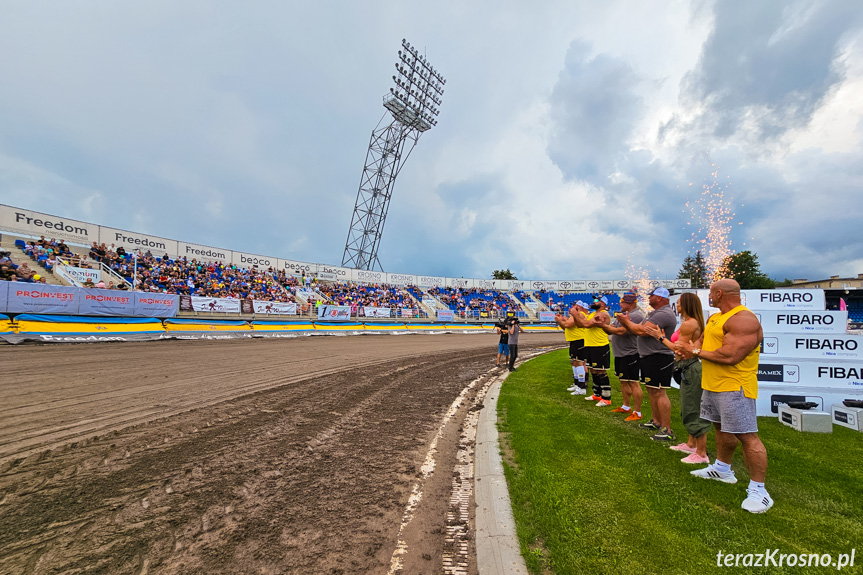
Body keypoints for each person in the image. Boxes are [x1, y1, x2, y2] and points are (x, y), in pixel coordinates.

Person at [676, 279, 772, 513]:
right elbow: (696, 345)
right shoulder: (715, 318)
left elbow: (730, 356)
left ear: (720, 293)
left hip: (735, 386)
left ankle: (760, 491)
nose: (708, 296)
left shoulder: (744, 319)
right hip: (712, 384)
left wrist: (694, 350)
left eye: (711, 292)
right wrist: (688, 348)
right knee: (720, 428)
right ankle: (722, 469)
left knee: (748, 436)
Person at [645, 292, 711, 463]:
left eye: (680, 302)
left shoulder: (690, 324)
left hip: (690, 368)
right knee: (688, 407)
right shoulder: (688, 323)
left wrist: (659, 337)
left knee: (693, 409)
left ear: (687, 304)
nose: (677, 305)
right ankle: (691, 444)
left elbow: (678, 349)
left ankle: (701, 453)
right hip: (686, 368)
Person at [617, 287, 677, 442]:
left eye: (652, 296)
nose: (649, 298)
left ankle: (667, 429)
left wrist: (626, 322)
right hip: (650, 356)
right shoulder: (655, 313)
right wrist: (630, 323)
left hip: (659, 356)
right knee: (652, 391)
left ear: (659, 298)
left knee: (659, 392)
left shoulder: (663, 313)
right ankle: (656, 421)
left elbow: (643, 331)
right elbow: (641, 329)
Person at [602, 293, 644, 421]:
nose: (620, 304)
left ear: (631, 303)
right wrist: (605, 326)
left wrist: (602, 326)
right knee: (623, 380)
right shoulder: (623, 315)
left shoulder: (636, 315)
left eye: (623, 302)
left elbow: (621, 331)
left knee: (633, 382)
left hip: (630, 353)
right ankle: (626, 407)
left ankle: (638, 411)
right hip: (621, 352)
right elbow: (613, 329)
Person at [556, 300, 593, 395]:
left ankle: (581, 387)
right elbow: (566, 327)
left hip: (579, 340)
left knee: (579, 362)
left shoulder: (580, 314)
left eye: (574, 305)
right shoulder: (574, 316)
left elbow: (567, 325)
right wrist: (561, 321)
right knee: (574, 362)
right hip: (575, 340)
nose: (572, 307)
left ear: (579, 307)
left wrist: (560, 320)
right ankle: (577, 385)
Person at [583, 296, 613, 406]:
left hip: (599, 345)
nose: (594, 302)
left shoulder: (603, 313)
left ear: (603, 304)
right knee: (593, 370)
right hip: (591, 345)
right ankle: (597, 394)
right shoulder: (593, 314)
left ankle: (606, 397)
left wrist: (576, 314)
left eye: (597, 301)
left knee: (601, 371)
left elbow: (586, 324)